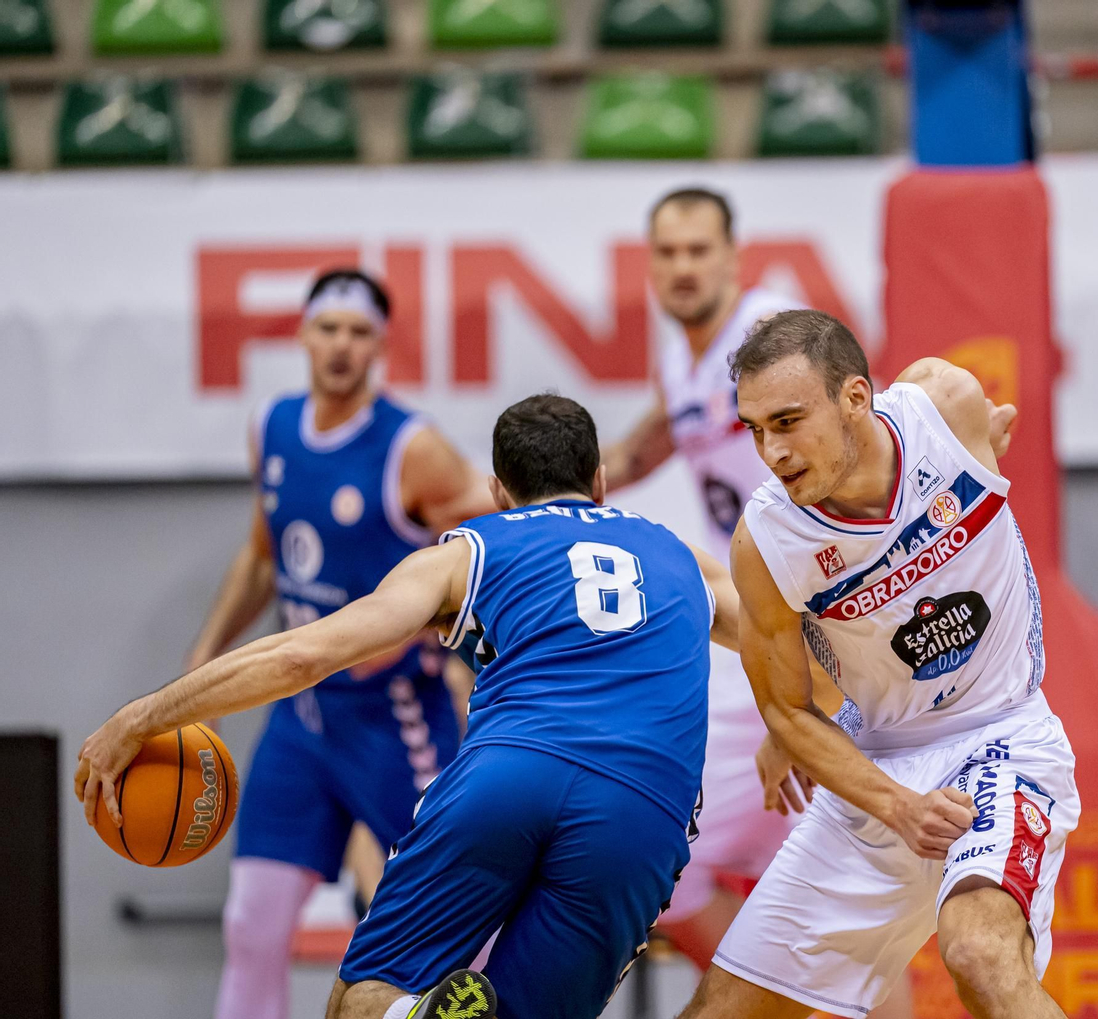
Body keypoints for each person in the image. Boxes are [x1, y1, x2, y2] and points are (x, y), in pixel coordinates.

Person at [78, 393, 740, 1019]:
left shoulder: (475, 546)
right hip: (643, 807)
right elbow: (795, 651)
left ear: (498, 493)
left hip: (513, 770)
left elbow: (303, 656)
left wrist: (142, 716)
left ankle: (409, 1012)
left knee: (362, 1000)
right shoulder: (688, 560)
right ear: (599, 481)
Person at [677, 309, 1077, 1019]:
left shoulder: (945, 409)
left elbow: (995, 424)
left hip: (1000, 738)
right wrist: (894, 801)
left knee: (981, 954)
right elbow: (788, 708)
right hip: (879, 763)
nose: (771, 449)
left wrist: (986, 441)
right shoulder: (768, 539)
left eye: (790, 420)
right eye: (756, 428)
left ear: (856, 398)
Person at [183, 269, 494, 1019]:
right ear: (303, 335)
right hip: (302, 714)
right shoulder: (273, 426)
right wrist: (205, 662)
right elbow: (264, 555)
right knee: (251, 925)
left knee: (461, 928)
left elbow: (486, 551)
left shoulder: (412, 448)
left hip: (396, 716)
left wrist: (416, 626)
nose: (342, 347)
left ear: (382, 345)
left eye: (359, 333)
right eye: (329, 329)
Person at [599, 186, 815, 971]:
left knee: (659, 856)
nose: (684, 267)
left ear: (733, 255)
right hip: (761, 632)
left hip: (807, 631)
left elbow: (850, 460)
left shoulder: (774, 334)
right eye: (668, 252)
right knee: (842, 913)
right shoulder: (679, 358)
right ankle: (780, 992)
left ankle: (769, 995)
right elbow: (647, 446)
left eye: (699, 250)